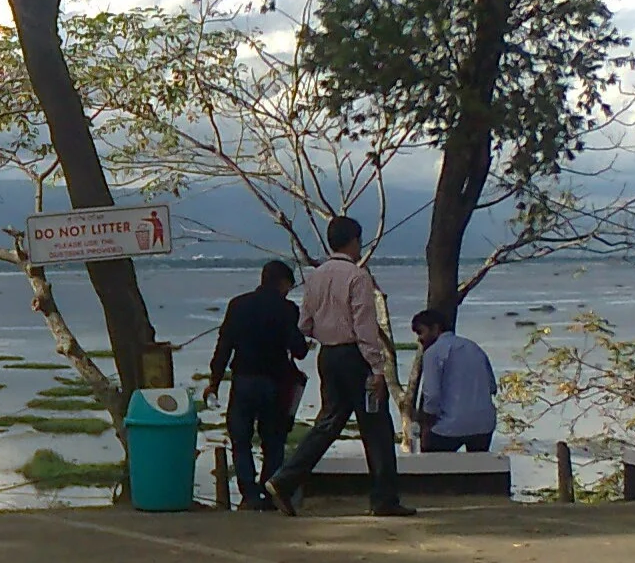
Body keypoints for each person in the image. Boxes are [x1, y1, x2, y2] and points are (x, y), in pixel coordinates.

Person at [264, 217, 415, 518]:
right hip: (355, 356)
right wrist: (377, 368)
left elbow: (305, 323)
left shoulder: (316, 276)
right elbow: (364, 326)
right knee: (377, 426)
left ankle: (284, 479)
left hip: (328, 355)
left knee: (329, 422)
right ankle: (384, 498)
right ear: (354, 241)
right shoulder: (357, 277)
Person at [203, 260, 309, 510]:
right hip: (275, 383)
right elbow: (299, 350)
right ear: (283, 283)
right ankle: (270, 491)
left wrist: (214, 382)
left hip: (243, 381)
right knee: (273, 440)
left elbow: (224, 346)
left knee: (240, 439)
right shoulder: (287, 309)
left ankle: (249, 494)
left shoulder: (238, 305)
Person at [411, 310, 499, 453]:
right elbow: (492, 387)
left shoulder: (433, 353)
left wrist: (426, 426)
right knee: (478, 464)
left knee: (433, 462)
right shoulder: (474, 348)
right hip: (484, 425)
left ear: (435, 328)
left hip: (449, 427)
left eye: (421, 332)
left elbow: (432, 396)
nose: (419, 339)